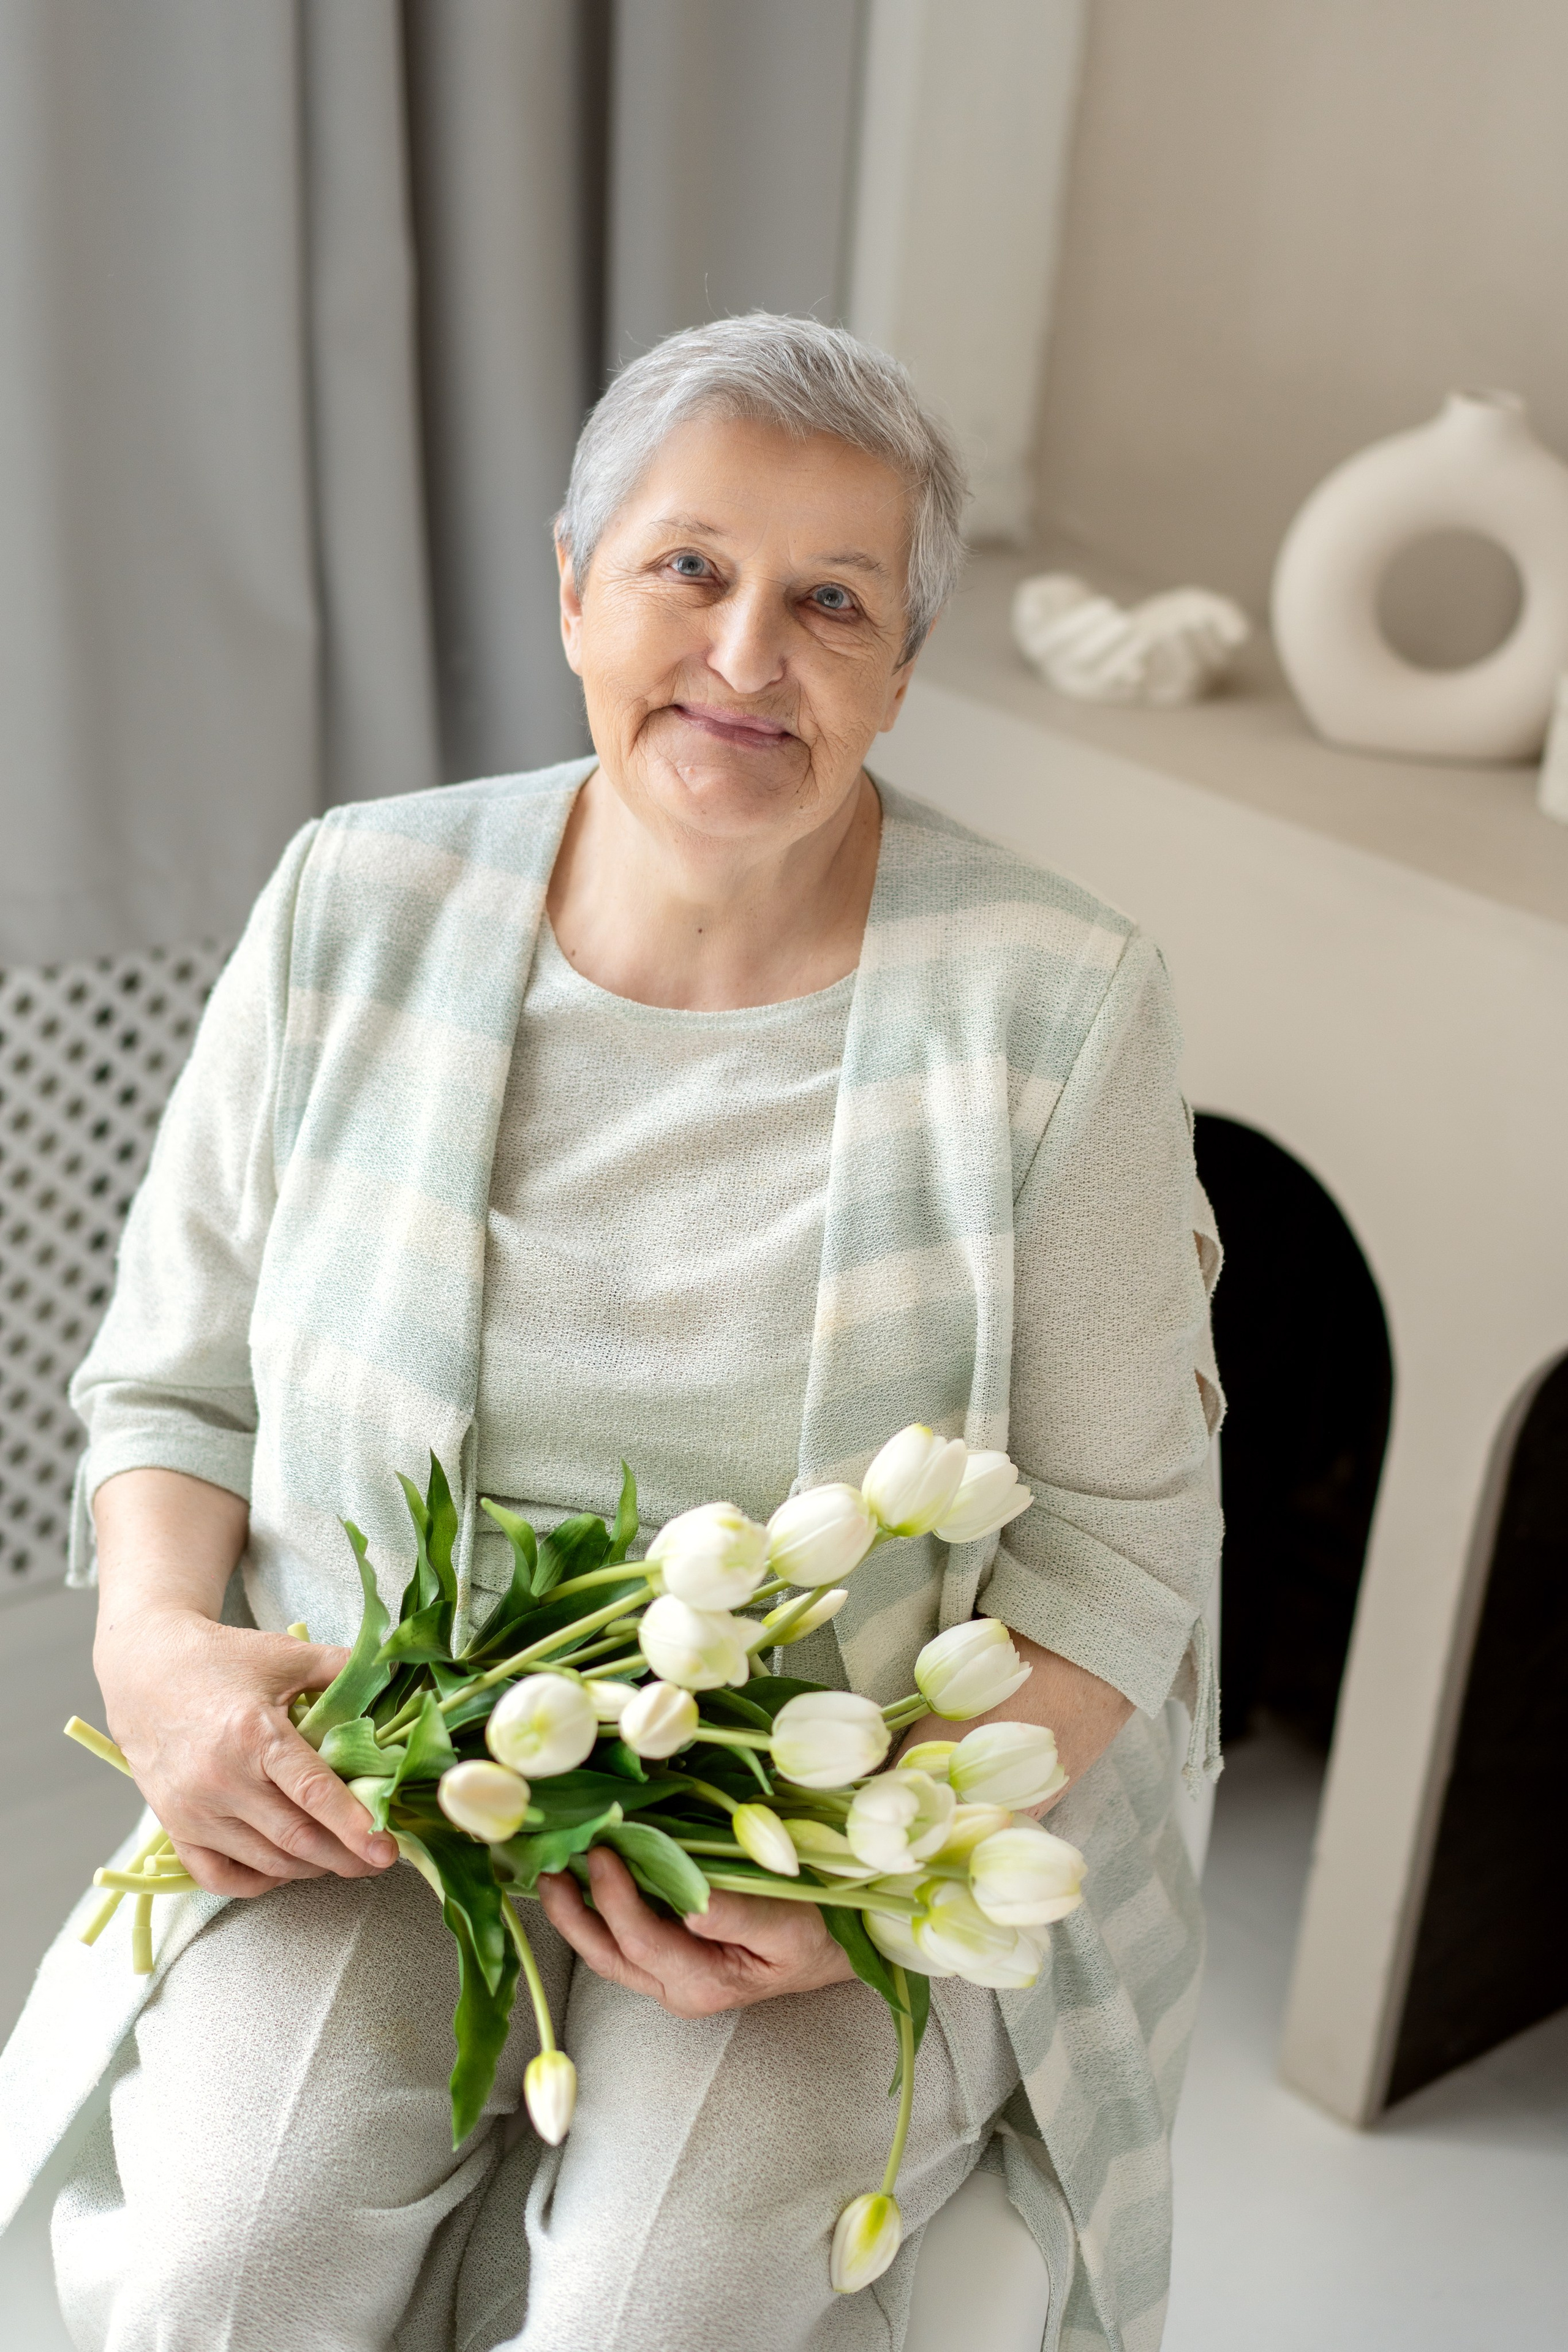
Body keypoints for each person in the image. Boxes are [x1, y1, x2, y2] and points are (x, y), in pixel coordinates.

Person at [6, 315, 1221, 2352]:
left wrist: (872, 1854)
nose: (750, 656)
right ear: (574, 593)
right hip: (366, 1784)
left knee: (670, 2306)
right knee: (234, 2261)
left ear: (901, 673)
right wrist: (157, 1654)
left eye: (833, 601)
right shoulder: (357, 895)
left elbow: (1118, 1539)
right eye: (690, 569)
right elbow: (175, 1379)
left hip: (801, 1828)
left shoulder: (1056, 1002)